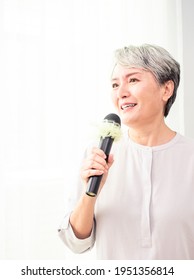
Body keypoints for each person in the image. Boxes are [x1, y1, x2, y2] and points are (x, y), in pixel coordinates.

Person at [58, 44, 194, 259]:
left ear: (166, 89)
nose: (121, 93)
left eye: (133, 80)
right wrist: (90, 193)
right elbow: (76, 243)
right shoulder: (97, 155)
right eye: (114, 84)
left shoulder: (190, 158)